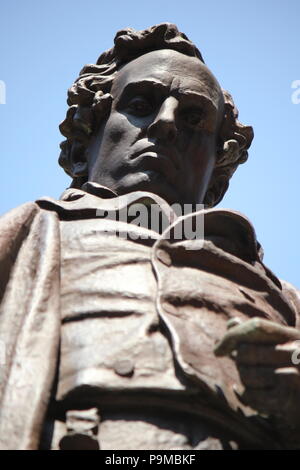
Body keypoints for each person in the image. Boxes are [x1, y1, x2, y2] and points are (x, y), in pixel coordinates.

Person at [0, 23, 299, 450]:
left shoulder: (282, 296)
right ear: (84, 148)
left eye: (194, 117)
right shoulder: (35, 230)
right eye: (140, 104)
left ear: (216, 176)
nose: (165, 124)